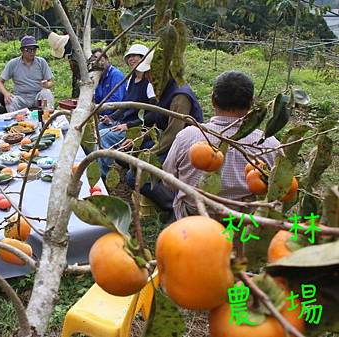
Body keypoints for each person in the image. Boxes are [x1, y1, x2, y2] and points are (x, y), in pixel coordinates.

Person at [163, 71, 281, 219]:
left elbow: (169, 181)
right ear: (251, 103)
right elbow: (277, 189)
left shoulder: (188, 137)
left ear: (213, 100)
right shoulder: (269, 144)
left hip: (193, 219)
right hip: (242, 222)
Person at [96, 44, 157, 177]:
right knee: (96, 128)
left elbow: (153, 113)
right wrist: (112, 117)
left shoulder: (149, 83)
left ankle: (104, 175)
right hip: (124, 123)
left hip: (136, 127)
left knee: (103, 137)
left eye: (136, 56)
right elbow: (126, 106)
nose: (132, 59)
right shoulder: (131, 79)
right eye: (129, 56)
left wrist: (128, 125)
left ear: (145, 58)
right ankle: (95, 166)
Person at [0, 35, 54, 112]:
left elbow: (51, 82)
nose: (32, 52)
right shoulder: (13, 63)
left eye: (34, 49)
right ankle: (16, 122)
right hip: (21, 98)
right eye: (28, 50)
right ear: (22, 50)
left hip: (37, 96)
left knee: (46, 93)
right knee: (10, 100)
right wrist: (6, 93)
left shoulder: (41, 62)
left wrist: (47, 84)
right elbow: (0, 82)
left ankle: (47, 118)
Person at [90, 48, 126, 116]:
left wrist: (98, 110)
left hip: (115, 116)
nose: (99, 64)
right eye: (94, 62)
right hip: (101, 114)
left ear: (107, 60)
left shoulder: (116, 75)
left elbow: (116, 99)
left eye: (101, 60)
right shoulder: (98, 76)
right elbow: (97, 98)